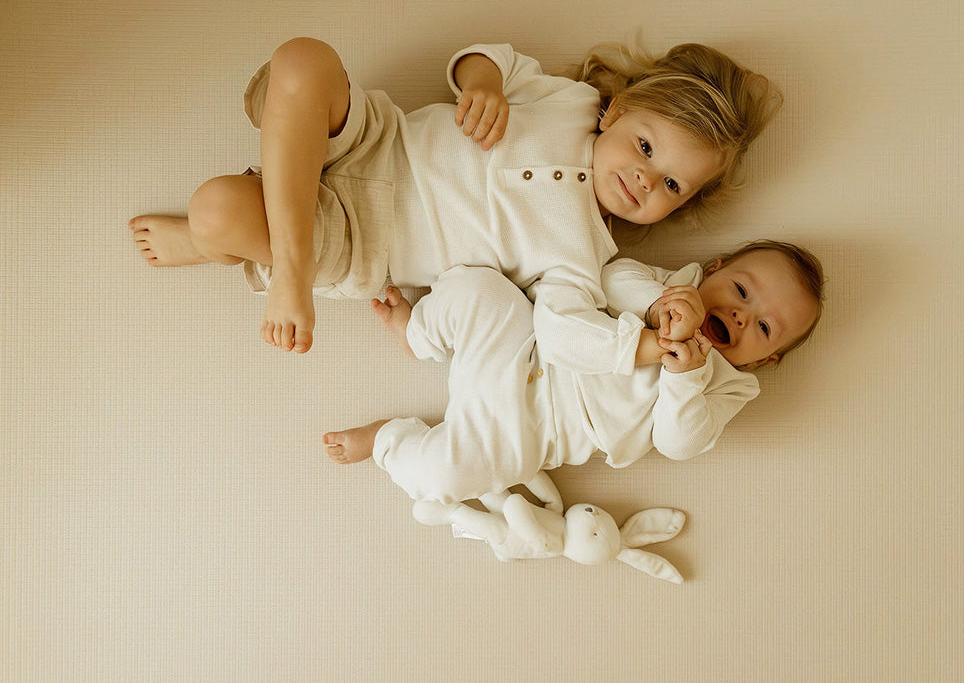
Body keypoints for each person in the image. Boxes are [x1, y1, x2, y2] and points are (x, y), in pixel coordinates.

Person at [129, 39, 780, 373]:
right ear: (616, 109)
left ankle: (251, 253)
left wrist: (640, 348)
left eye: (671, 187)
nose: (645, 179)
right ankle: (279, 157)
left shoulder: (584, 257)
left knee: (217, 209)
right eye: (645, 146)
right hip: (378, 141)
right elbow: (487, 57)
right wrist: (486, 86)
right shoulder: (568, 101)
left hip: (362, 240)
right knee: (304, 59)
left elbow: (559, 335)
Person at [322, 240, 825, 505]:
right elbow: (609, 277)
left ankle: (389, 442)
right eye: (741, 291)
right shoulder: (673, 284)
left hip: (537, 431)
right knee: (483, 290)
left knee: (448, 473)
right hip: (527, 344)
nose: (741, 315)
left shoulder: (726, 383)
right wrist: (659, 307)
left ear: (764, 360)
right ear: (713, 269)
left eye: (763, 327)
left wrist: (686, 375)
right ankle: (420, 332)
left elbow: (680, 442)